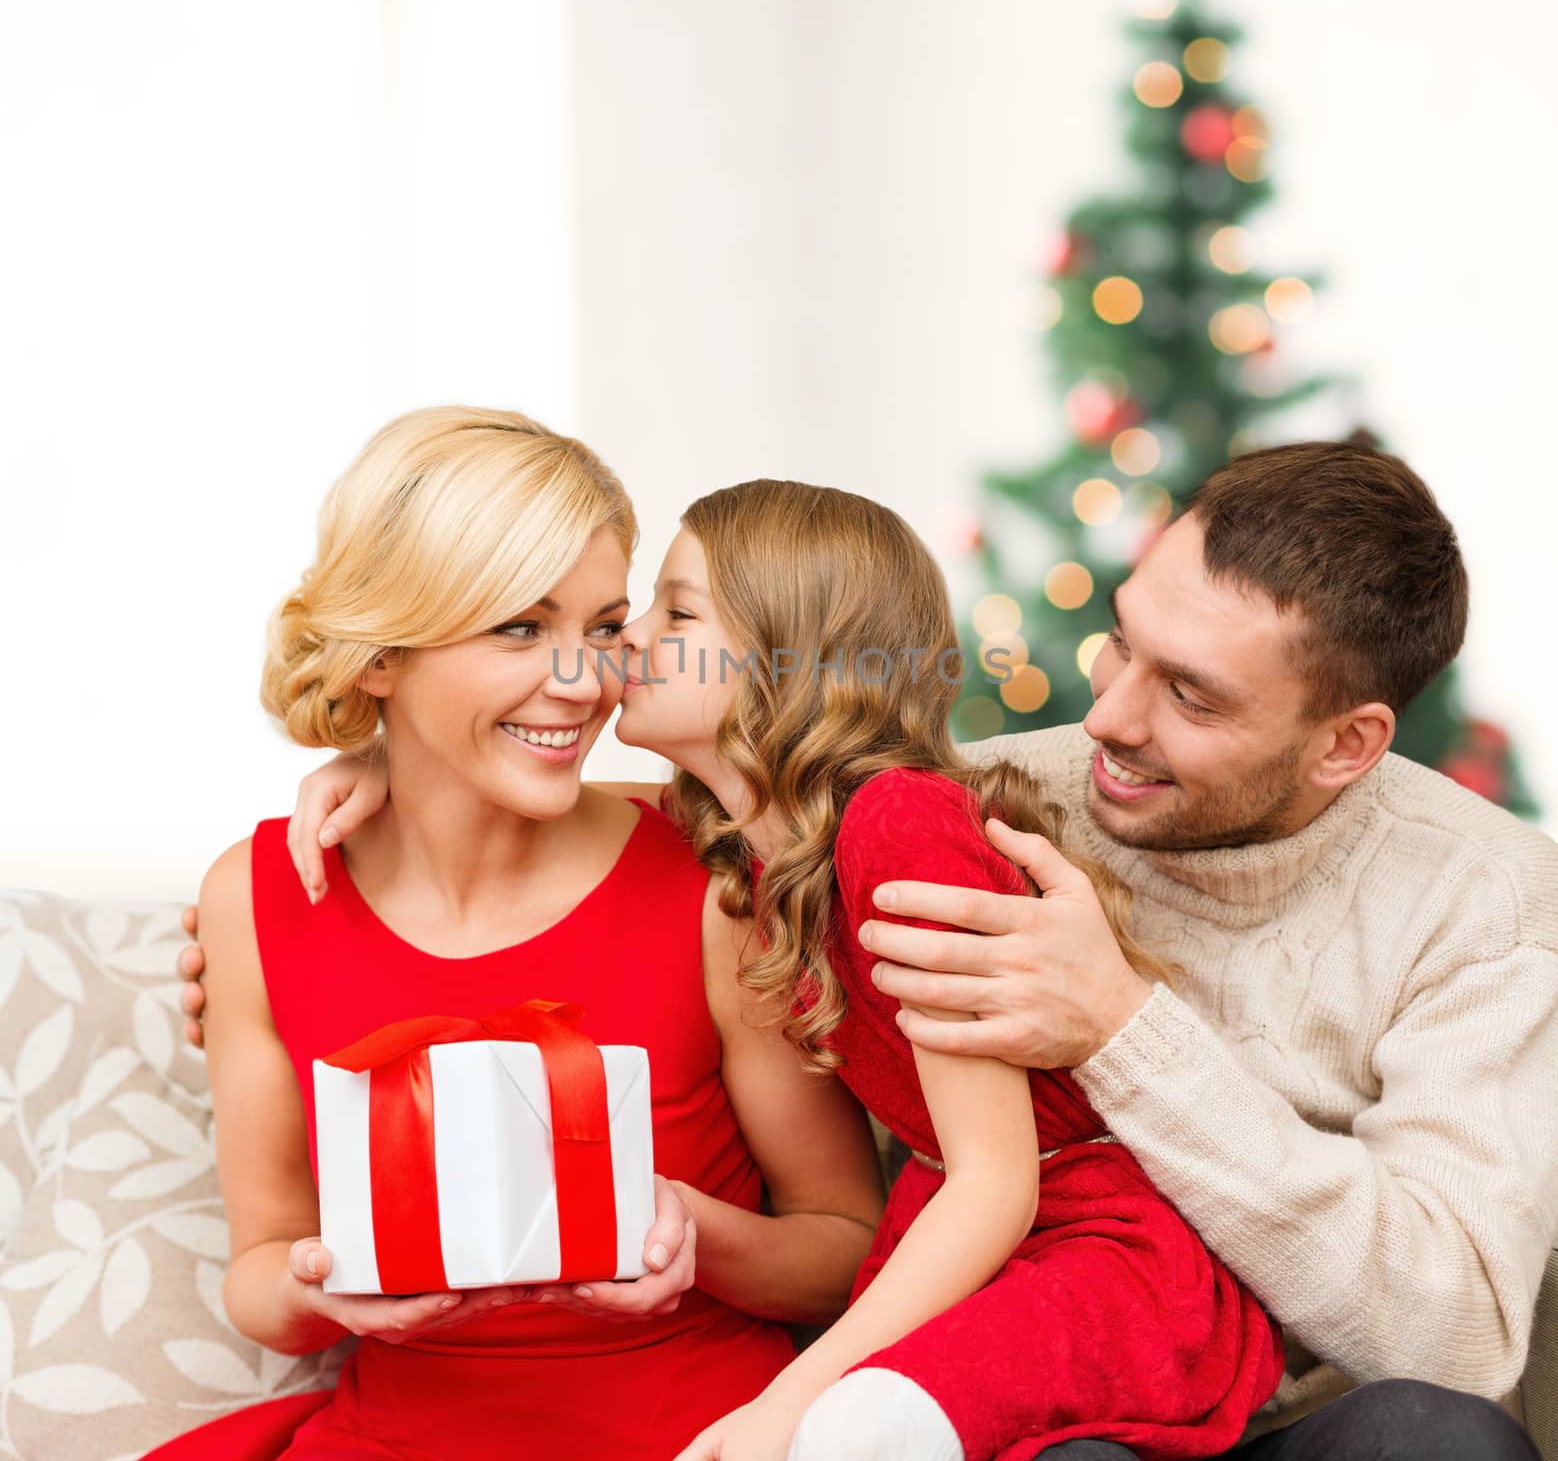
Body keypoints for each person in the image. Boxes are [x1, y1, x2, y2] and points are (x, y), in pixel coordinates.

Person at [184, 440, 1558, 1460]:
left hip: (1214, 1362)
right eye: (1118, 648)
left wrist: (1120, 1025)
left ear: (1344, 744)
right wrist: (381, 770)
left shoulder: (1486, 903)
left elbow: (1454, 1339)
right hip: (1032, 1383)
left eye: (1188, 696)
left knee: (1435, 1446)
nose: (1109, 721)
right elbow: (720, 800)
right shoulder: (931, 799)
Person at [148, 408, 885, 1461]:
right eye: (519, 628)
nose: (584, 681)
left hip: (695, 1429)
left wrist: (686, 1228)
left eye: (604, 626)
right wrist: (333, 1287)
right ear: (378, 655)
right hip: (398, 1435)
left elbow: (845, 1245)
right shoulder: (256, 897)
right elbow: (262, 1273)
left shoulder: (707, 880)